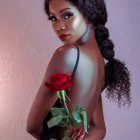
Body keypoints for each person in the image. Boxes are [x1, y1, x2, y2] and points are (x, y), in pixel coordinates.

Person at [26, 0, 131, 139]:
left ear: (89, 14)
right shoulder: (100, 63)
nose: (59, 26)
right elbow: (99, 129)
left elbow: (32, 127)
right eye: (53, 18)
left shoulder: (68, 54)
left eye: (67, 15)